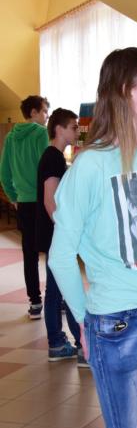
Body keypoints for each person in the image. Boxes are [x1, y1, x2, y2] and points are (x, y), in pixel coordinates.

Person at [48, 47, 137, 428]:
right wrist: (84, 322)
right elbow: (60, 256)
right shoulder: (90, 166)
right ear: (127, 90)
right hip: (117, 322)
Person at [36, 108, 87, 366]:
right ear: (59, 129)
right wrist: (66, 233)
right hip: (55, 235)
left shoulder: (54, 157)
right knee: (59, 291)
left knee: (58, 291)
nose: (77, 131)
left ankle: (62, 342)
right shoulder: (53, 158)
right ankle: (77, 344)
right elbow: (50, 201)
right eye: (73, 127)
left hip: (55, 235)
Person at [0, 95, 50, 319]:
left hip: (24, 203)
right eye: (44, 111)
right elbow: (45, 168)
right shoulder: (41, 133)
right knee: (52, 251)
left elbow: (4, 173)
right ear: (33, 112)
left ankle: (35, 302)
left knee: (30, 254)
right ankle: (55, 298)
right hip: (43, 201)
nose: (46, 116)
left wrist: (14, 197)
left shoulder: (11, 137)